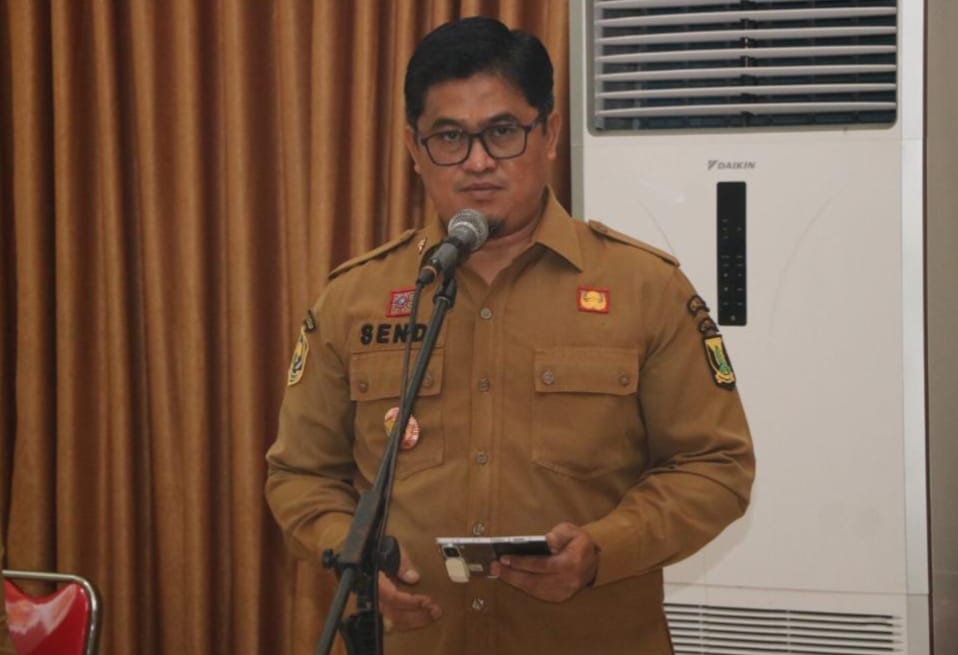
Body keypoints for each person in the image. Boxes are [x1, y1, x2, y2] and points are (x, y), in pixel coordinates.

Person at [266, 16, 754, 654]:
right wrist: (351, 557)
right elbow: (300, 475)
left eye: (502, 132)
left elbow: (716, 467)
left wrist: (604, 549)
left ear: (548, 133)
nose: (477, 162)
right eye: (449, 137)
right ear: (414, 148)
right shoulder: (353, 299)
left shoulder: (645, 288)